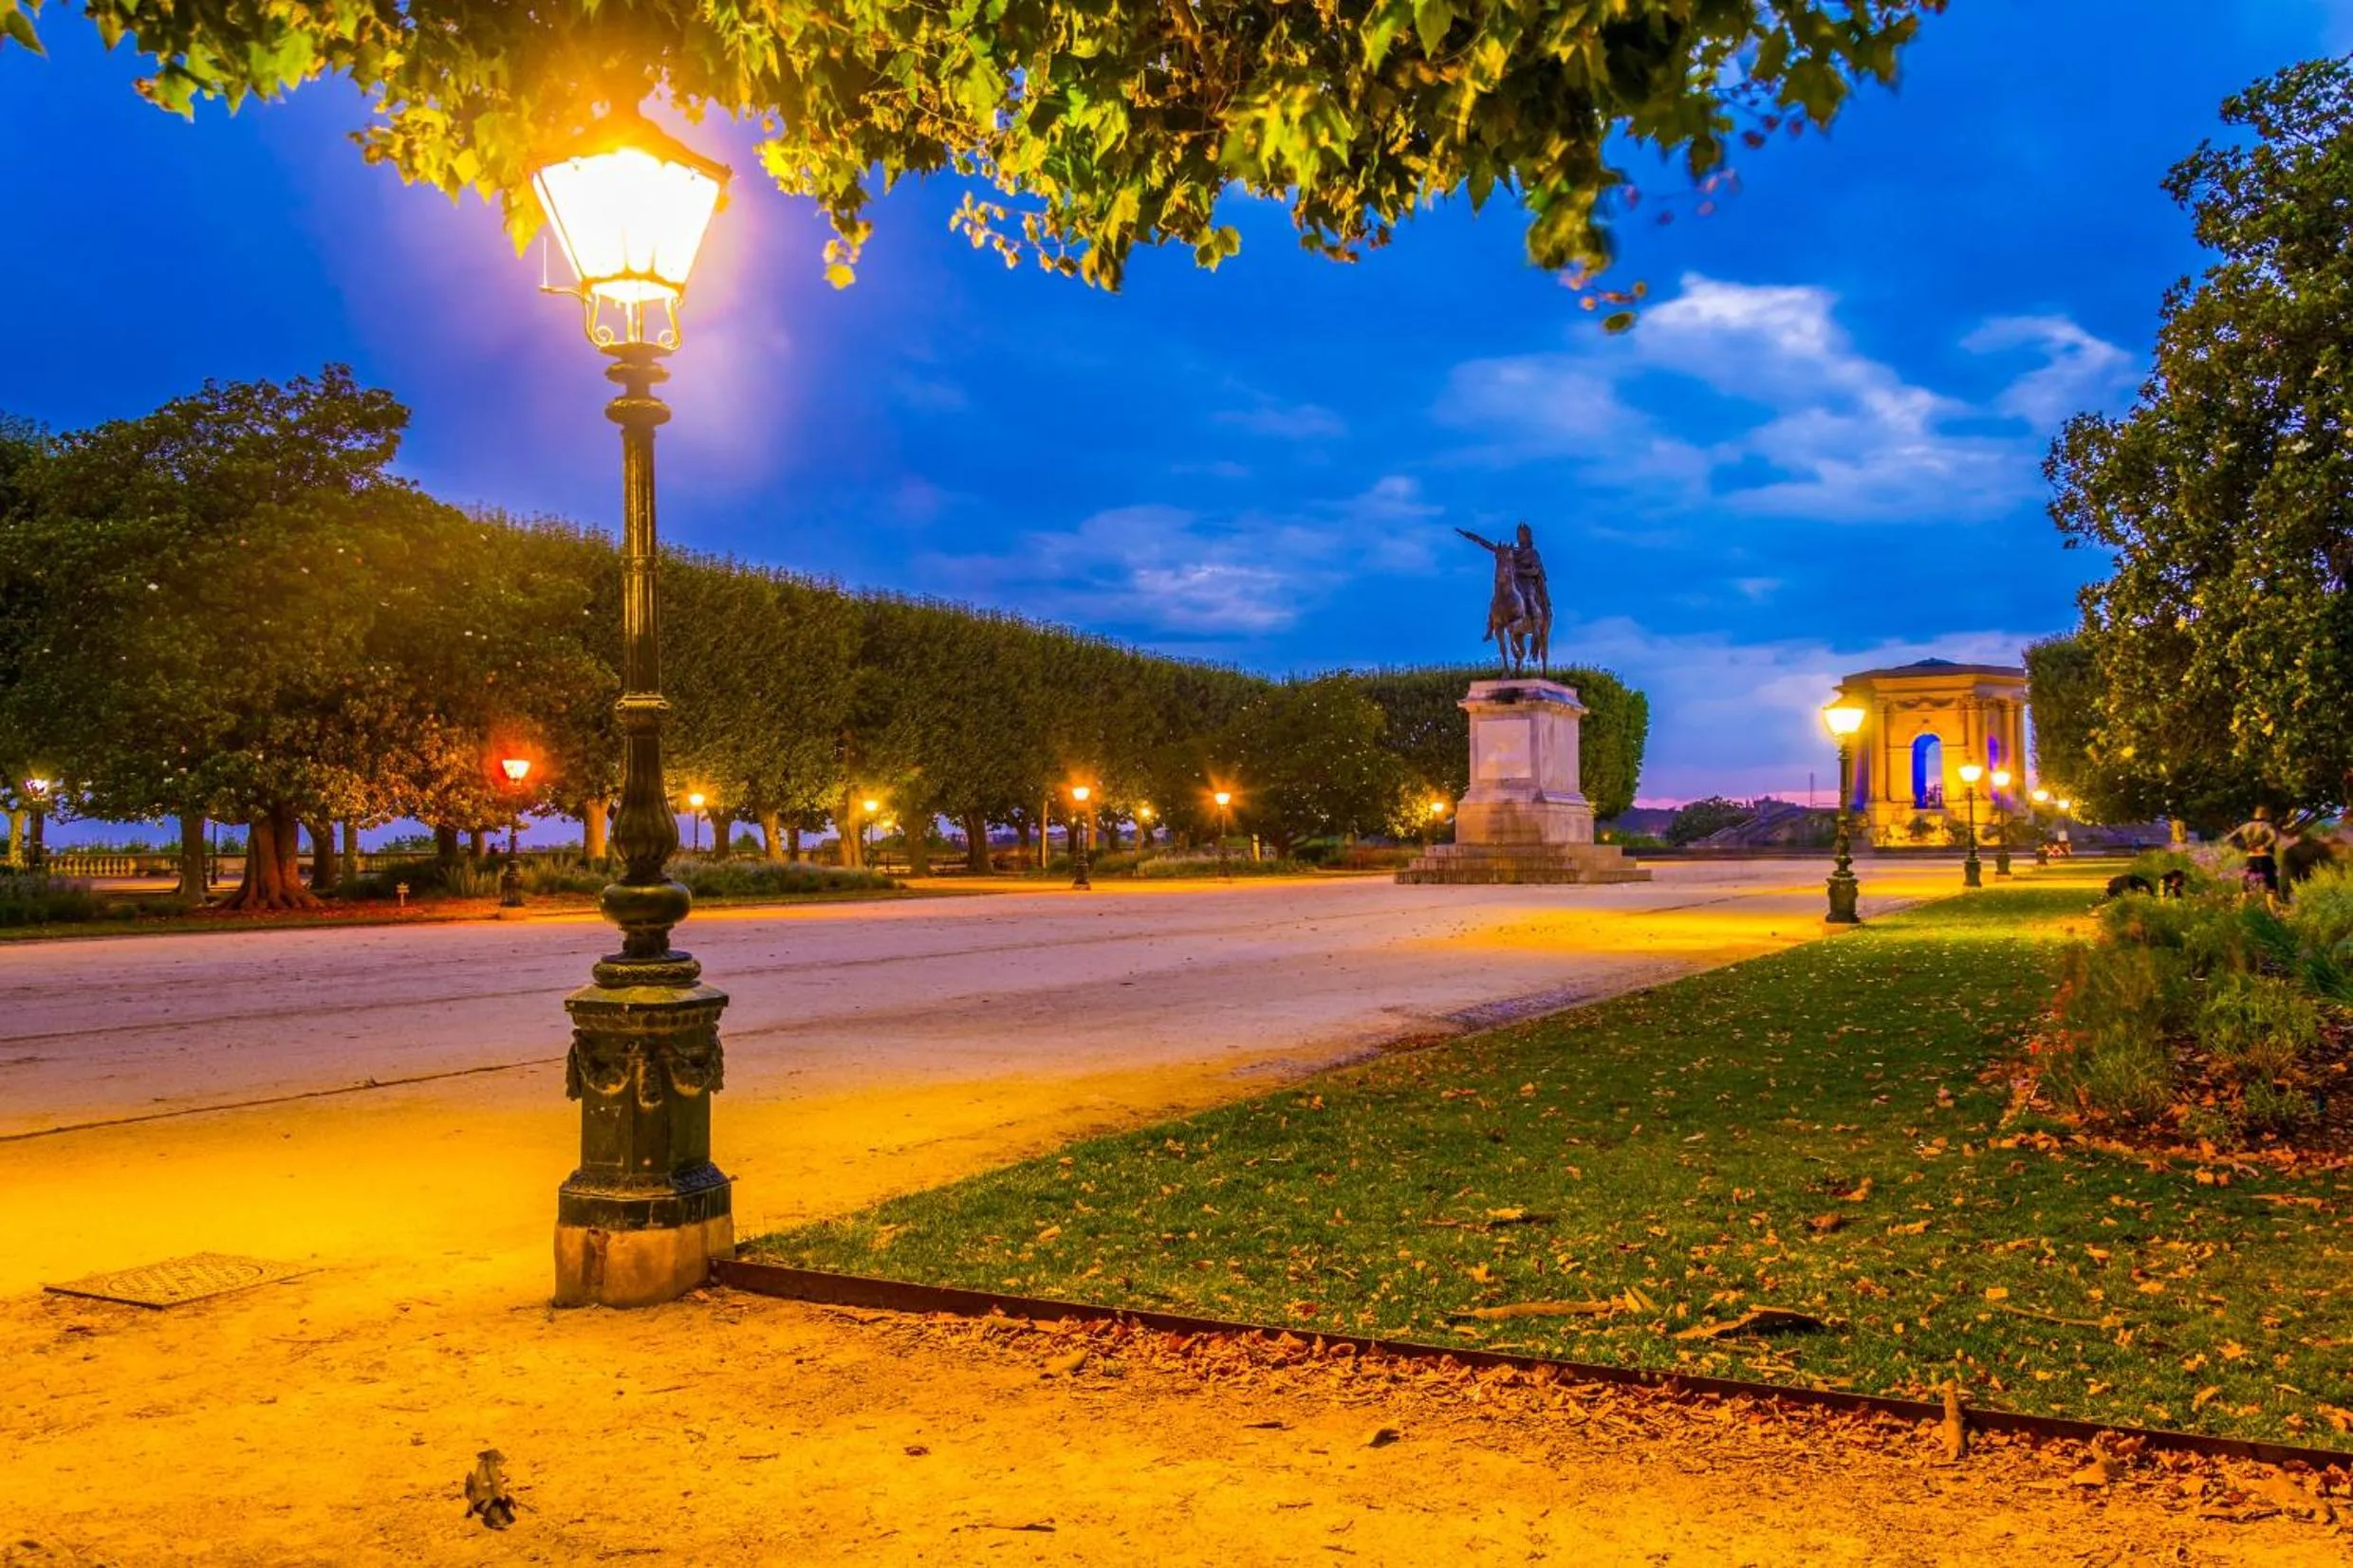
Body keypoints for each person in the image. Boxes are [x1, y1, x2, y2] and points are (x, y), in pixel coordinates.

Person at [2228, 804, 2280, 896]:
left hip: (2251, 857)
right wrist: (2265, 845)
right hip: (2265, 857)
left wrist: (2244, 846)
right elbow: (2275, 837)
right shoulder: (2267, 826)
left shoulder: (2245, 826)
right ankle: (2273, 909)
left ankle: (2241, 909)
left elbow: (2229, 839)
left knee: (2247, 886)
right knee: (2271, 886)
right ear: (2266, 815)